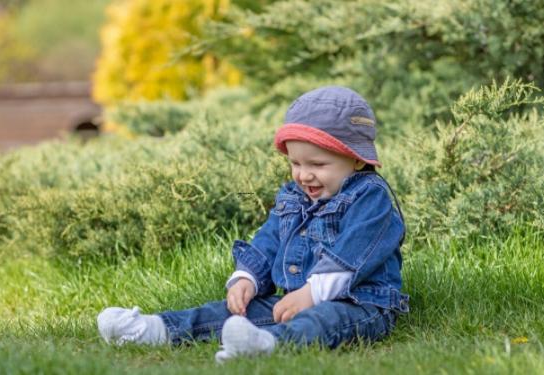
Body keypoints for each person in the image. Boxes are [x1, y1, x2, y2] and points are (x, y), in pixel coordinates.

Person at [97, 86, 409, 363]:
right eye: (295, 163)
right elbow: (269, 240)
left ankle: (269, 343)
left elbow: (352, 255)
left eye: (317, 164)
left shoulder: (370, 197)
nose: (303, 175)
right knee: (235, 311)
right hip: (297, 298)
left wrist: (312, 294)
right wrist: (246, 278)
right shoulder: (294, 196)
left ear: (356, 159)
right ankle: (155, 329)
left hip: (363, 304)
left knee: (325, 319)